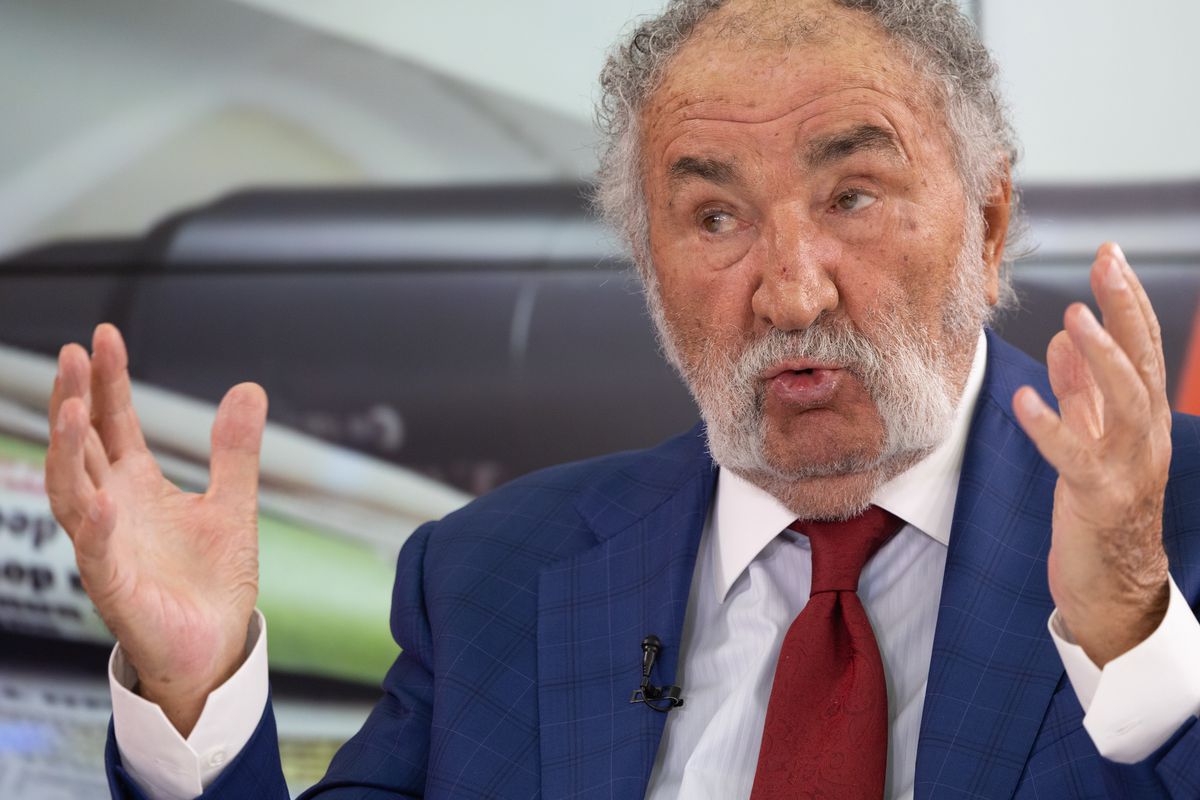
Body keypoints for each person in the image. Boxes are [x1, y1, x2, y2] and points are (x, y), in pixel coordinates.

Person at [44, 0, 1200, 798]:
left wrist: (1135, 638)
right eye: (714, 217)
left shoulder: (1171, 530)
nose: (791, 292)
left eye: (852, 194)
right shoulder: (490, 575)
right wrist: (195, 690)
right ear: (647, 269)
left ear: (988, 227)